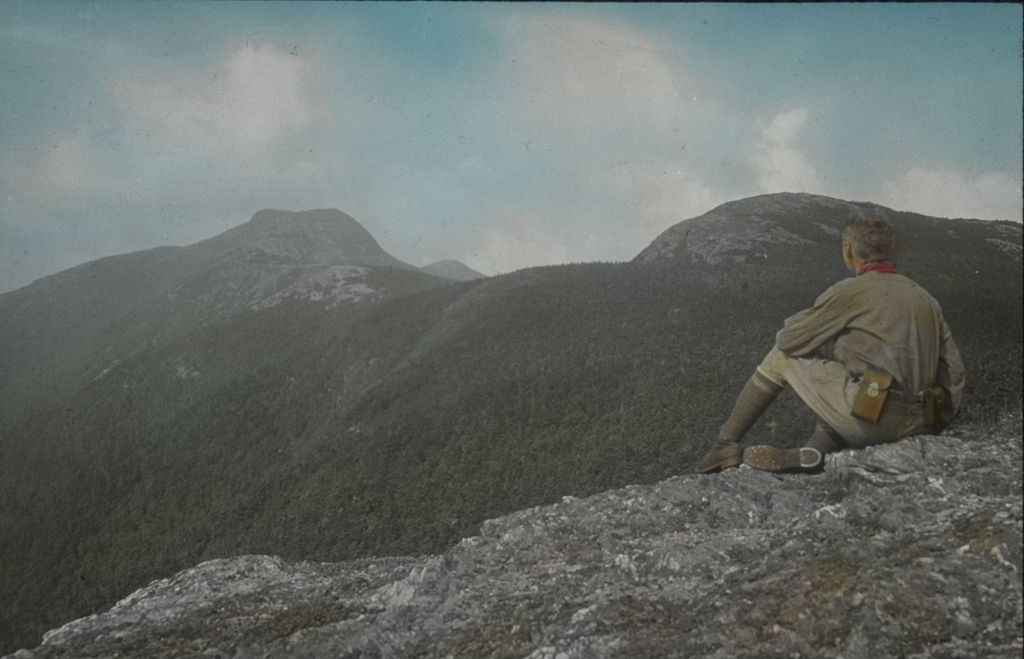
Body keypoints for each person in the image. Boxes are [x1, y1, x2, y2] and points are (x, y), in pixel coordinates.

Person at [696, 216, 965, 474]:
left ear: (848, 249)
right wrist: (936, 424)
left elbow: (788, 340)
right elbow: (953, 371)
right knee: (851, 378)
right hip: (918, 422)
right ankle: (814, 451)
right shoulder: (925, 297)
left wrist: (822, 332)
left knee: (781, 357)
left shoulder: (850, 291)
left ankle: (725, 445)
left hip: (871, 418)